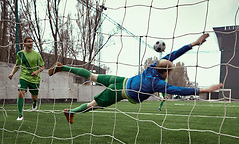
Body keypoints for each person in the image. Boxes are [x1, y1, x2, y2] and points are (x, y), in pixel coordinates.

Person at [48, 33, 222, 124]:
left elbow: (173, 55)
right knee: (93, 105)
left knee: (92, 75)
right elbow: (179, 90)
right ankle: (70, 112)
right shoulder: (158, 82)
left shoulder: (152, 66)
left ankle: (63, 67)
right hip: (120, 91)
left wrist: (193, 44)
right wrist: (204, 89)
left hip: (120, 79)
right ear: (166, 72)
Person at [8, 37, 45, 120]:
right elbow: (17, 65)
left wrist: (36, 72)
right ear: (24, 43)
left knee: (34, 97)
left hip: (34, 79)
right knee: (21, 92)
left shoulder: (37, 55)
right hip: (24, 77)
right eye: (29, 42)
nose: (31, 43)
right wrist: (12, 73)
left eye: (32, 42)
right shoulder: (20, 54)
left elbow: (43, 67)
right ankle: (20, 115)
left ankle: (34, 103)